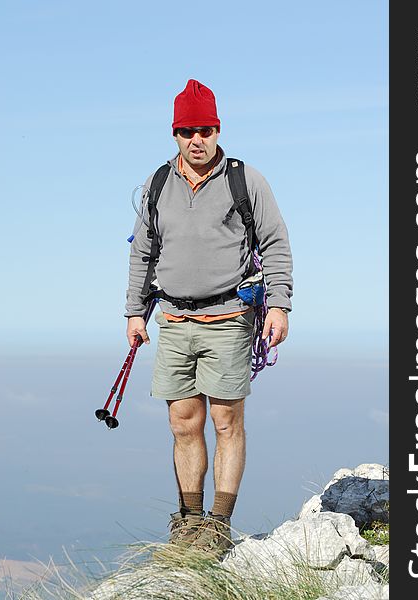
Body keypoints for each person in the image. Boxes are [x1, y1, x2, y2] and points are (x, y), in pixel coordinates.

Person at [125, 79, 293, 559]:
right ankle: (189, 522)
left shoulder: (245, 179)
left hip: (230, 316)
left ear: (217, 130)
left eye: (205, 129)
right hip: (174, 319)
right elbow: (143, 253)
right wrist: (135, 311)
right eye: (186, 131)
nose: (196, 139)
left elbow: (276, 243)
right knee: (182, 421)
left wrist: (278, 303)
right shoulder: (158, 183)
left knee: (225, 421)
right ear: (174, 134)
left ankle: (219, 523)